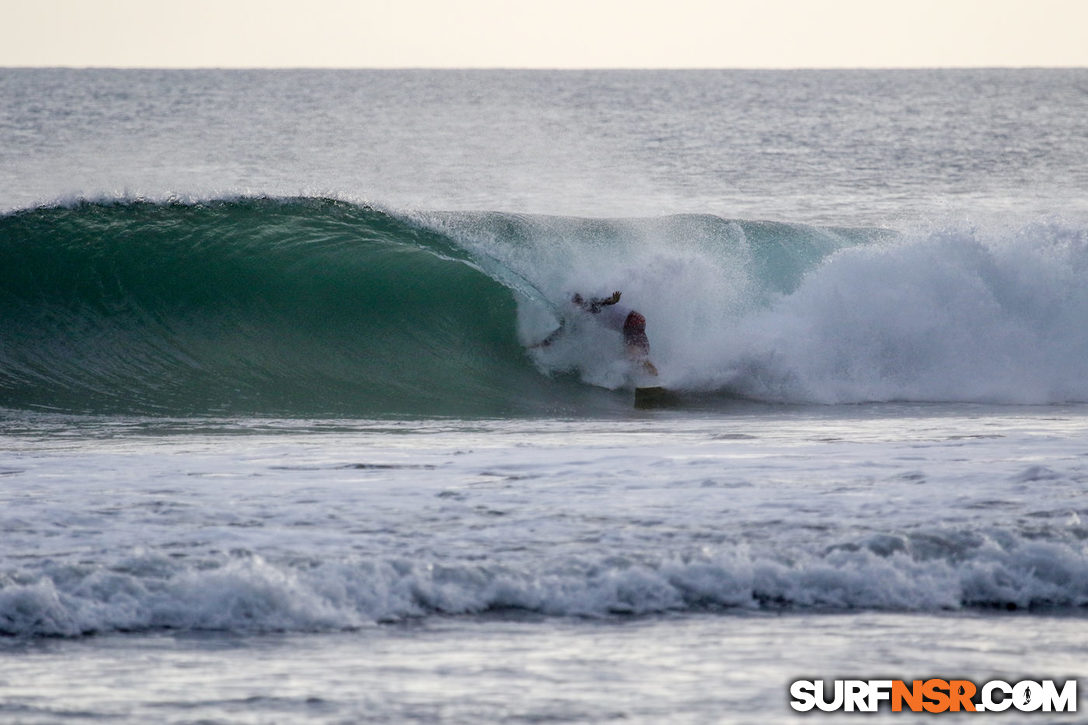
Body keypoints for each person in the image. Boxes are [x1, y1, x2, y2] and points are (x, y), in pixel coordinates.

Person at [533, 290, 658, 376]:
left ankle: (658, 380)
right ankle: (652, 378)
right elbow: (564, 330)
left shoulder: (590, 303)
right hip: (632, 323)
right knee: (629, 357)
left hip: (631, 321)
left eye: (577, 300)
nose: (576, 304)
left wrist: (612, 300)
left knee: (634, 356)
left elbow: (603, 302)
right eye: (575, 301)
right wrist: (544, 343)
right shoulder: (584, 313)